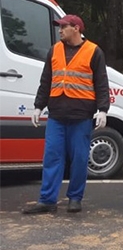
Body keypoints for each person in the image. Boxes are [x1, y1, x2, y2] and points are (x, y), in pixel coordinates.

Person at [22, 15, 110, 214]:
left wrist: (103, 110)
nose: (60, 31)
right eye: (59, 27)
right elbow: (46, 81)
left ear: (76, 28)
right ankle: (47, 200)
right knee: (52, 157)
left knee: (79, 158)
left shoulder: (93, 51)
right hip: (57, 114)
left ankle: (75, 198)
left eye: (63, 27)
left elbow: (101, 84)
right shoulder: (55, 50)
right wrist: (38, 106)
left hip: (81, 115)